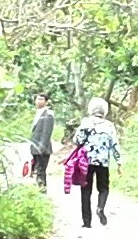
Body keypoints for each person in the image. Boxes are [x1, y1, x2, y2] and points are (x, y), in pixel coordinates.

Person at [69, 96, 121, 227]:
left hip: (86, 162)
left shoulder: (86, 123)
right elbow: (114, 145)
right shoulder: (109, 126)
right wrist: (119, 162)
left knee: (86, 190)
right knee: (103, 188)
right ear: (105, 111)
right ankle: (100, 207)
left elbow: (77, 140)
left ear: (91, 109)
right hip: (103, 162)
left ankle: (87, 222)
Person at [27, 95, 58, 185]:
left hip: (42, 150)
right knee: (36, 172)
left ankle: (42, 190)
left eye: (41, 99)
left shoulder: (48, 114)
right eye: (38, 99)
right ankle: (38, 190)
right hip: (35, 148)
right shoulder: (37, 113)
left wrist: (41, 149)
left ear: (46, 102)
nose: (39, 101)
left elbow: (46, 133)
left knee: (40, 172)